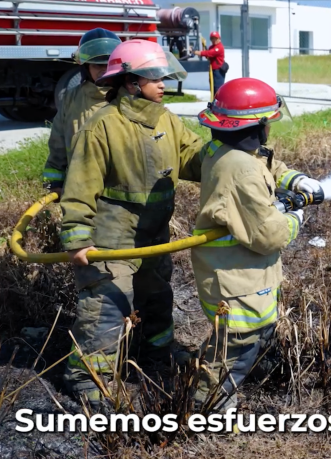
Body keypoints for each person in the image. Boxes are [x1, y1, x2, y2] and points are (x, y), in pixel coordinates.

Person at [59, 39, 206, 404]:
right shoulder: (103, 126)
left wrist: (231, 155)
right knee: (109, 303)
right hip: (113, 233)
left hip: (154, 233)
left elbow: (194, 157)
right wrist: (78, 241)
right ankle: (87, 376)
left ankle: (156, 354)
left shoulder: (167, 120)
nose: (163, 84)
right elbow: (79, 187)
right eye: (154, 77)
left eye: (164, 77)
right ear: (129, 82)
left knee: (157, 296)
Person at [190, 77, 323, 411]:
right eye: (267, 123)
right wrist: (294, 218)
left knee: (240, 343)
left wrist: (295, 181)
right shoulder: (241, 170)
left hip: (235, 277)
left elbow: (264, 165)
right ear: (259, 126)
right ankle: (209, 412)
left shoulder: (224, 151)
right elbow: (269, 236)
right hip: (237, 284)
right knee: (234, 349)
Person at [41, 28, 121, 194]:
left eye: (108, 64)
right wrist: (54, 181)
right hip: (80, 189)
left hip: (121, 192)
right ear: (85, 67)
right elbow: (58, 142)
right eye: (97, 64)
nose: (103, 70)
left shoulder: (130, 97)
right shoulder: (71, 99)